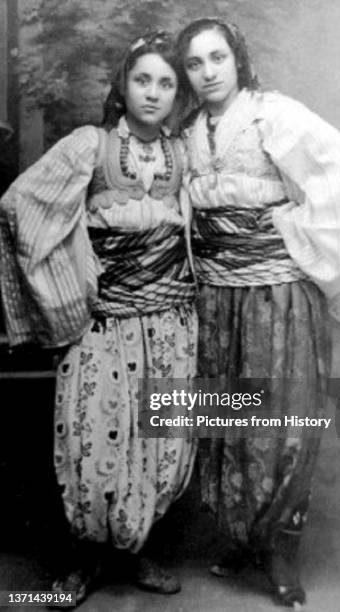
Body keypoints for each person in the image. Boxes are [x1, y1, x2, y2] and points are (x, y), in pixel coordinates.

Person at [175, 17, 340, 608]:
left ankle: (281, 552)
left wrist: (289, 231)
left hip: (277, 296)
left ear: (238, 59)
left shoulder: (275, 114)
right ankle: (243, 536)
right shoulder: (187, 129)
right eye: (195, 63)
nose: (208, 73)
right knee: (228, 418)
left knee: (286, 420)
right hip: (216, 298)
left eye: (218, 58)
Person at [0, 30, 197, 605]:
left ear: (177, 93)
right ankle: (84, 560)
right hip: (103, 323)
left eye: (166, 83)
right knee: (91, 437)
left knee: (163, 442)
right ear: (122, 85)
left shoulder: (183, 154)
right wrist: (70, 284)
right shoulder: (89, 145)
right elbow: (22, 205)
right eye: (142, 80)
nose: (153, 93)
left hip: (171, 323)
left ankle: (138, 551)